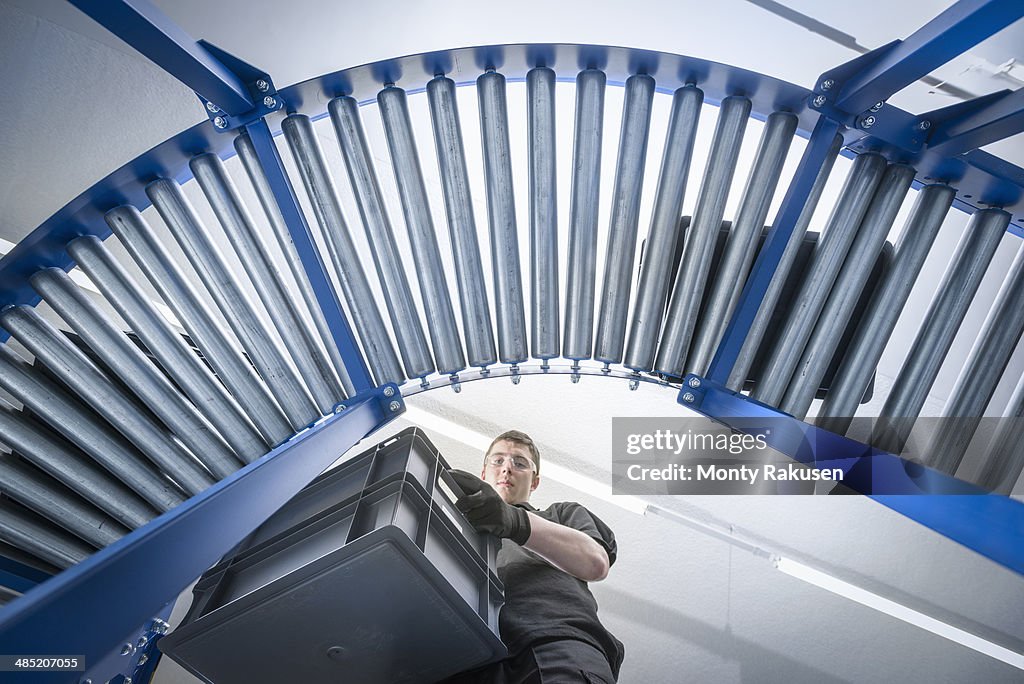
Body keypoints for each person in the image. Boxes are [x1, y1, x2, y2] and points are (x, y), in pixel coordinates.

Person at [443, 430, 624, 684]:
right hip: (467, 663)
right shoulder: (453, 530)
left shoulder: (561, 515)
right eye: (498, 461)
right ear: (484, 473)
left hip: (556, 648)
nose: (507, 469)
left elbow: (595, 562)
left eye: (519, 463)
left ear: (535, 482)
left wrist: (514, 521)